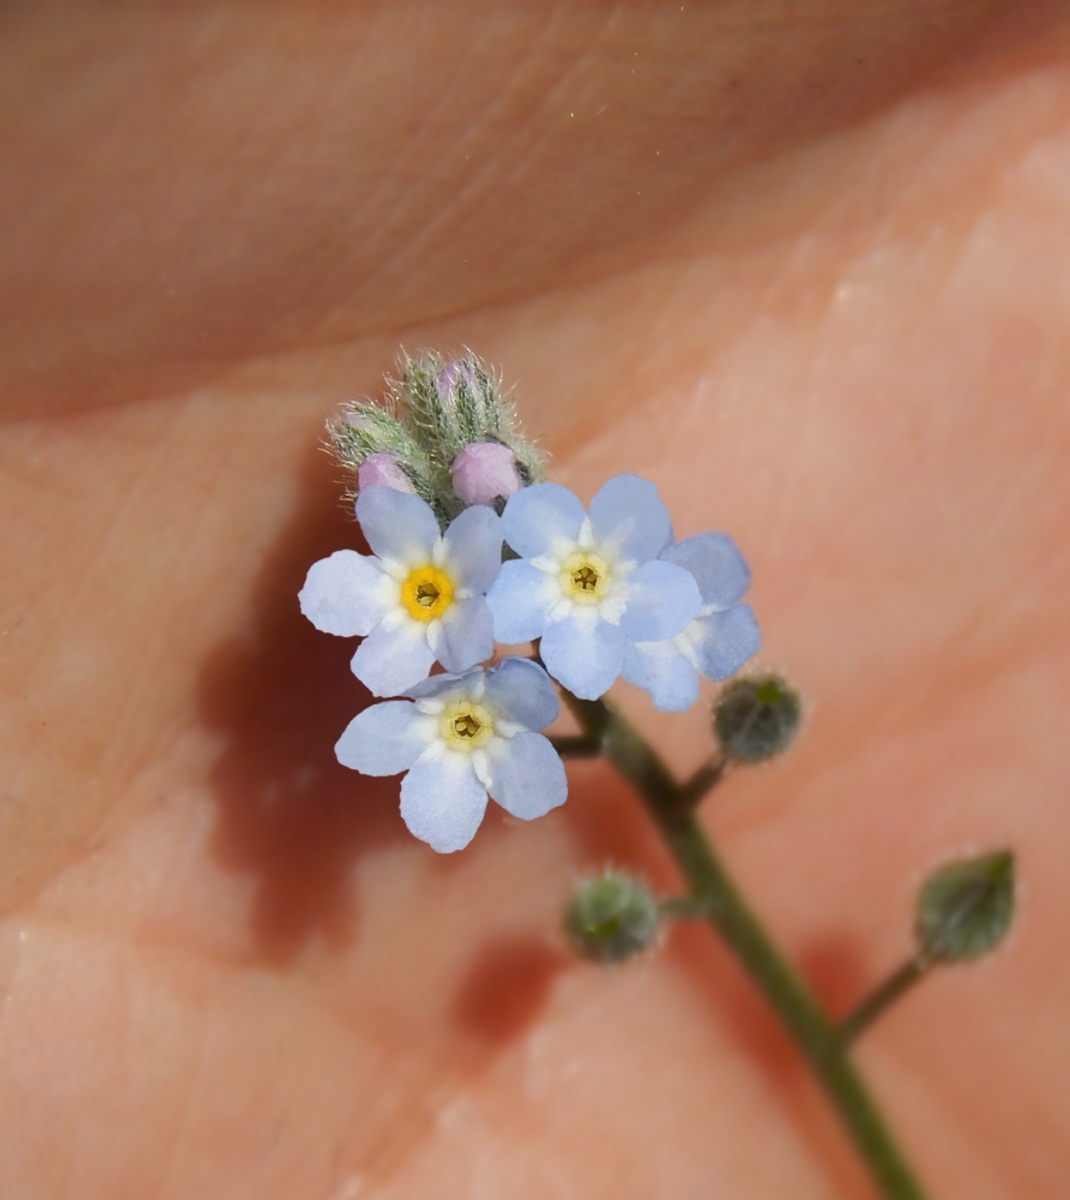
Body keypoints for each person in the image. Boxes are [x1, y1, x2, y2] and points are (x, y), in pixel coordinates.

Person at [1, 3, 1066, 1195]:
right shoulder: (492, 641)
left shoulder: (536, 609)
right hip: (535, 625)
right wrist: (480, 651)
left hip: (567, 615)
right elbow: (483, 597)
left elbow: (516, 548)